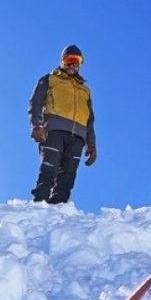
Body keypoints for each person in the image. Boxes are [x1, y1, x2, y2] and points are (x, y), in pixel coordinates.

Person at [27, 44, 97, 204]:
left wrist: (91, 144)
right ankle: (39, 204)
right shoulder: (50, 79)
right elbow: (35, 103)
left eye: (77, 61)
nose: (73, 64)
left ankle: (57, 209)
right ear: (62, 61)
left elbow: (90, 120)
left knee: (68, 175)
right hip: (54, 131)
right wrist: (36, 125)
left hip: (78, 136)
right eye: (69, 59)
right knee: (49, 168)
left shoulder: (84, 90)